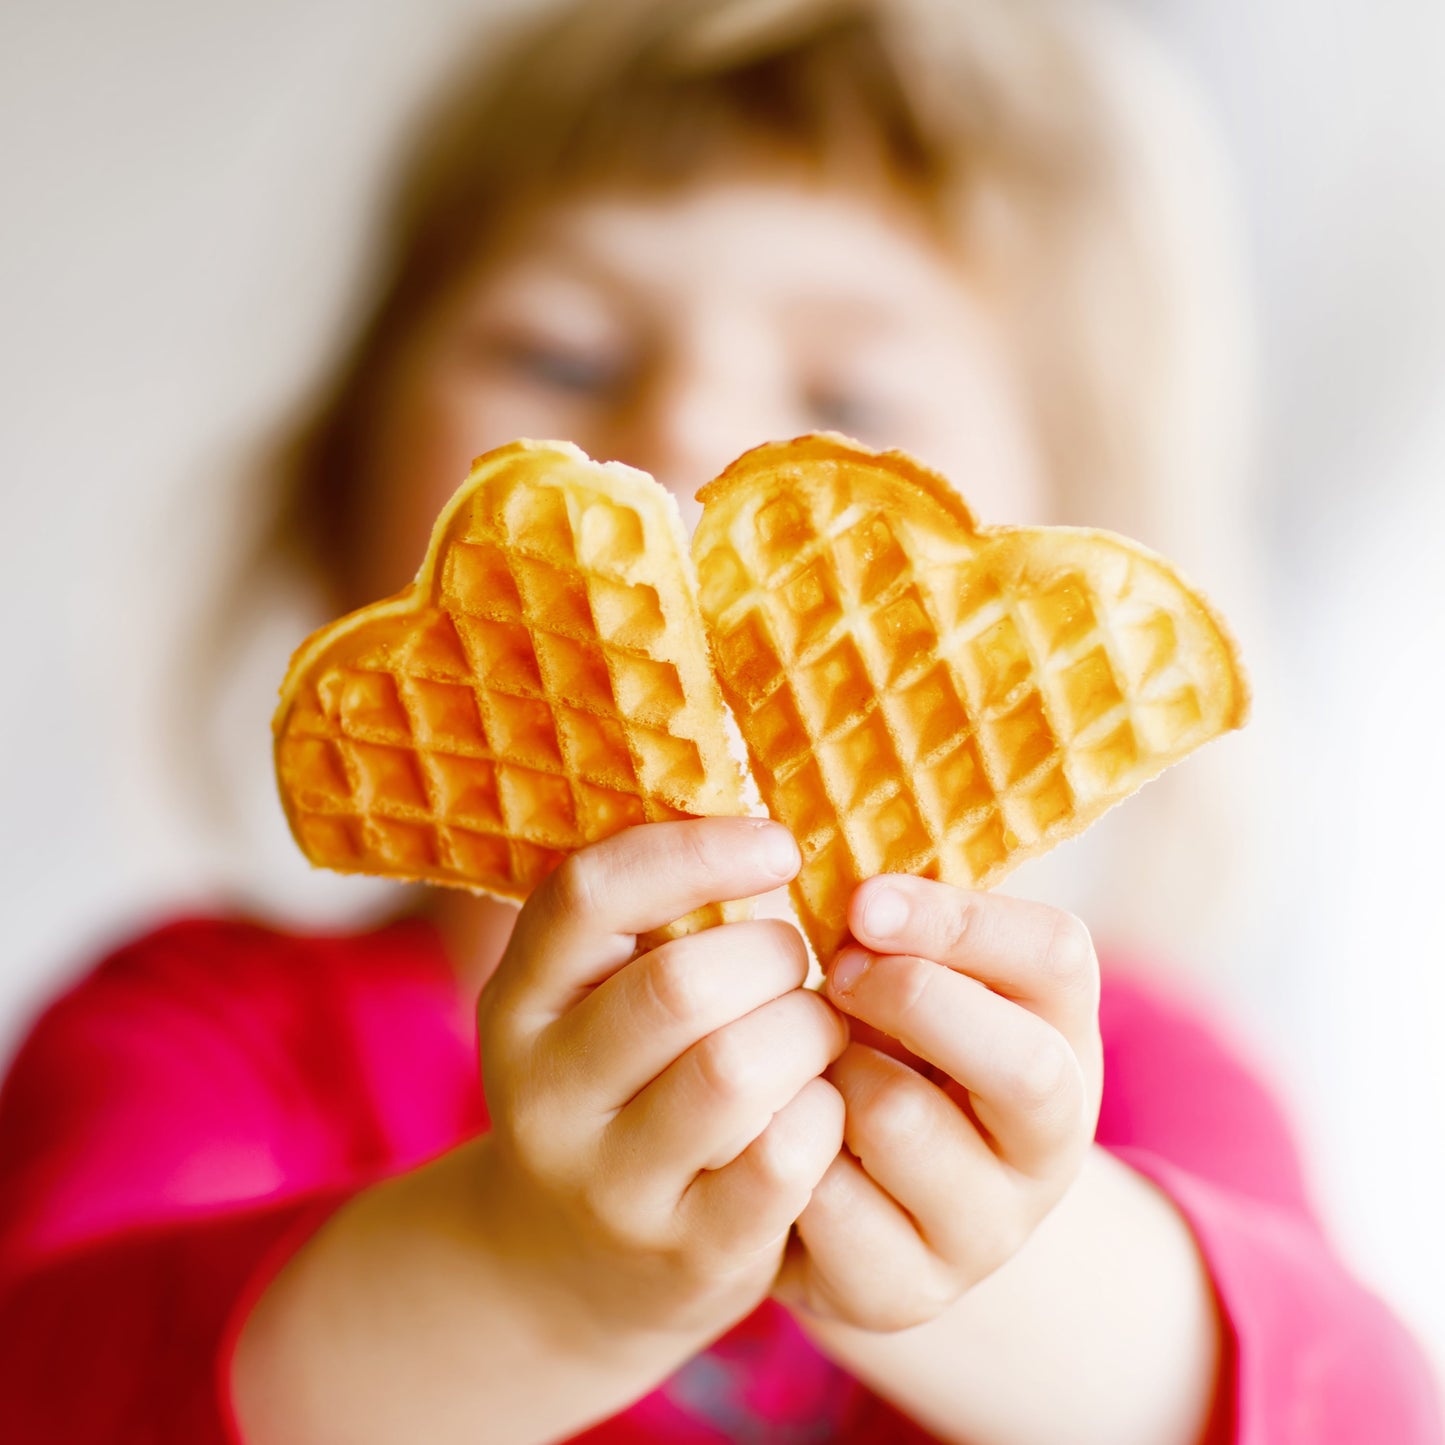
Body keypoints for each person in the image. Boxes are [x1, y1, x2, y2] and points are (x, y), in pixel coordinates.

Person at [0, 1, 1437, 1441]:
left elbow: (1366, 1409)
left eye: (847, 394)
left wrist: (995, 1265)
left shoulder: (1134, 1080)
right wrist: (537, 1280)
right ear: (340, 498)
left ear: (1058, 596)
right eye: (559, 357)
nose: (686, 431)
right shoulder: (203, 1040)